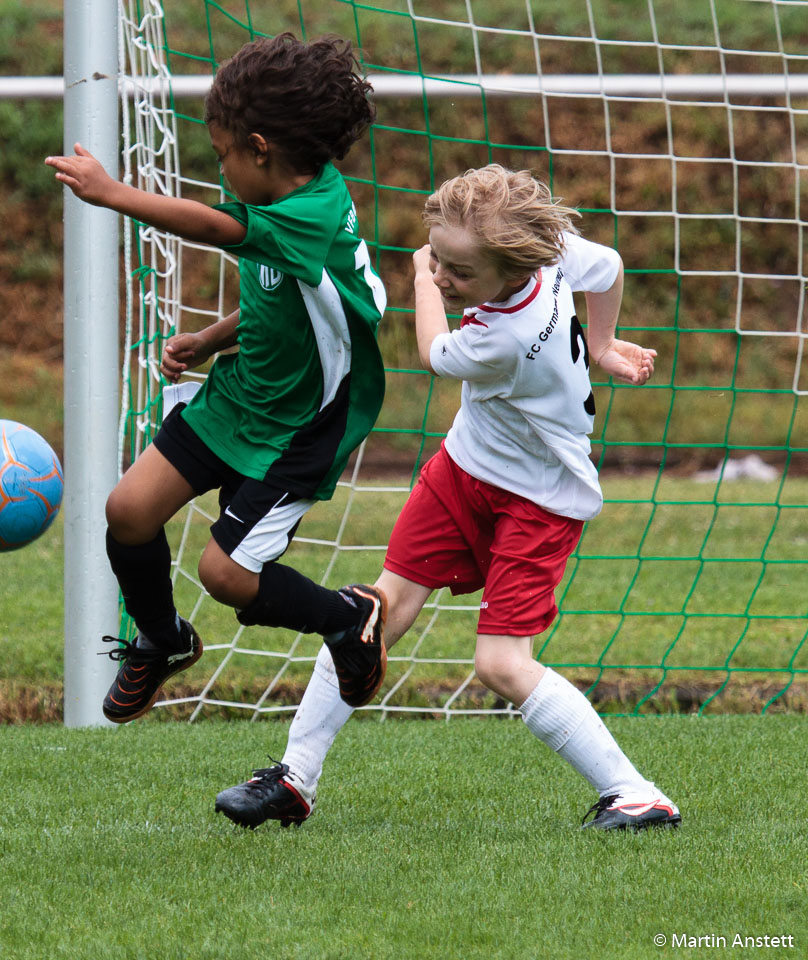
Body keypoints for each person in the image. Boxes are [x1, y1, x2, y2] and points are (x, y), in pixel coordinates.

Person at [215, 164, 681, 832]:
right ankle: (294, 778)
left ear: (511, 266)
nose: (444, 277)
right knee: (372, 614)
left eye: (459, 271)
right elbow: (604, 267)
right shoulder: (550, 257)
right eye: (441, 260)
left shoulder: (505, 337)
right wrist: (601, 344)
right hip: (464, 470)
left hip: (540, 499)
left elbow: (432, 351)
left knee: (498, 664)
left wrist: (415, 274)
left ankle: (637, 793)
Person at [44, 32, 389, 724]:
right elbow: (287, 297)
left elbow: (212, 228)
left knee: (226, 575)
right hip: (242, 395)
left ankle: (349, 620)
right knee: (128, 511)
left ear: (260, 148)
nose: (222, 170)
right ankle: (162, 640)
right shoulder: (286, 208)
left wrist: (113, 195)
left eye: (223, 154)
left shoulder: (310, 212)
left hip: (299, 426)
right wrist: (210, 338)